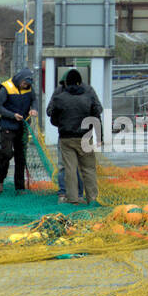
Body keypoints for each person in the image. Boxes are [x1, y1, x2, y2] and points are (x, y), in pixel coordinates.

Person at [46, 68, 103, 205]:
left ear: (65, 83)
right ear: (79, 82)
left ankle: (72, 199)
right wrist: (100, 136)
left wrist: (63, 125)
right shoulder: (88, 95)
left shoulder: (59, 97)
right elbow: (97, 114)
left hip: (66, 138)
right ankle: (92, 198)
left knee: (69, 169)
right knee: (88, 169)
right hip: (85, 137)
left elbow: (52, 118)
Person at [0, 68, 37, 193]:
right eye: (24, 84)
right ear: (19, 80)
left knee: (21, 157)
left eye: (27, 85)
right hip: (8, 126)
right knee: (6, 154)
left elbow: (34, 100)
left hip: (22, 127)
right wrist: (13, 115)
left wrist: (33, 109)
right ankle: (0, 179)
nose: (26, 86)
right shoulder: (6, 87)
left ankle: (20, 187)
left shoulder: (29, 88)